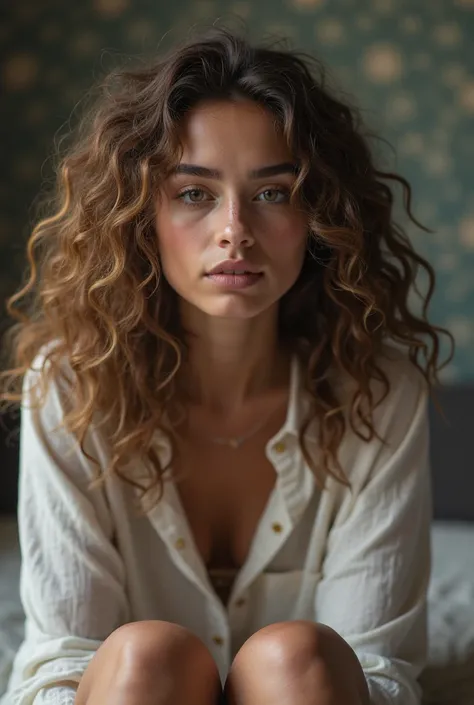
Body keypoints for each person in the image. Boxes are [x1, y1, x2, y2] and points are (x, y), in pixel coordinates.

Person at [0, 26, 453, 705]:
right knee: (146, 655)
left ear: (317, 214)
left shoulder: (378, 396)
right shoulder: (72, 385)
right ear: (139, 214)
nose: (234, 228)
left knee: (296, 657)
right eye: (194, 192)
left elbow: (375, 667)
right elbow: (65, 661)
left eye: (273, 193)